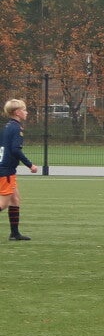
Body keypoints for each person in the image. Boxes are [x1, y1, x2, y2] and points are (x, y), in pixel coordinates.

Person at [1, 99, 38, 241]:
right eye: (24, 110)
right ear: (17, 112)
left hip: (6, 169)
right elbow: (15, 150)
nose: (26, 112)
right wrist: (30, 165)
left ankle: (14, 234)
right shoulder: (16, 128)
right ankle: (14, 234)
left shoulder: (7, 126)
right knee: (3, 204)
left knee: (15, 200)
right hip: (6, 171)